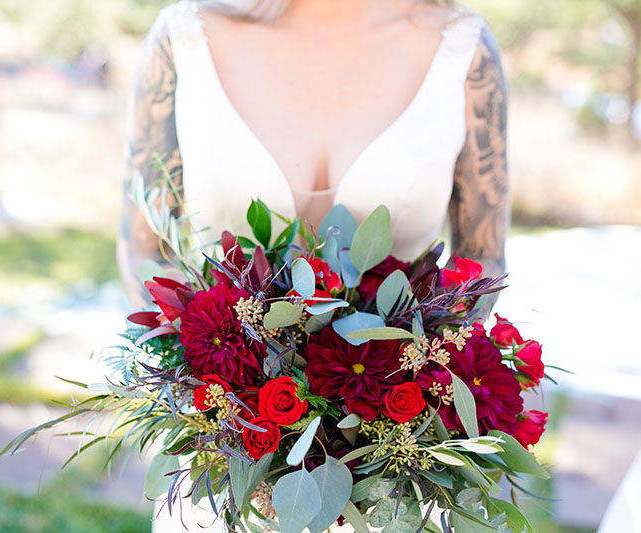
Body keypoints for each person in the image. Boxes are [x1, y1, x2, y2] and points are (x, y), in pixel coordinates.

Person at [117, 0, 509, 528]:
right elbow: (142, 245)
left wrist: (415, 398)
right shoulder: (185, 37)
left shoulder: (463, 49)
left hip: (389, 478)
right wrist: (207, 388)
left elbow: (481, 257)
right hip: (229, 459)